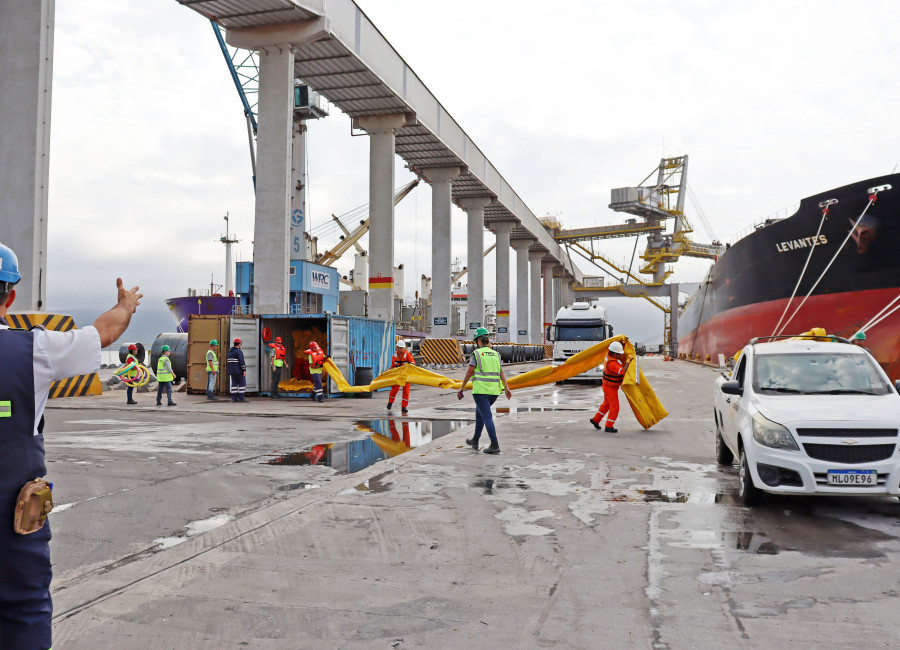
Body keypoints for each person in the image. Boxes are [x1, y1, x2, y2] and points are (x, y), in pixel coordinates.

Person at [0, 241, 140, 649]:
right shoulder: (35, 349)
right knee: (24, 611)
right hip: (13, 526)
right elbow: (105, 332)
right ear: (10, 295)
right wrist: (127, 305)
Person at [457, 327, 512, 454]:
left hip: (481, 392)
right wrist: (507, 388)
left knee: (487, 417)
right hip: (493, 392)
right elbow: (501, 373)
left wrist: (461, 388)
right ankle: (475, 440)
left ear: (478, 341)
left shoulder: (476, 354)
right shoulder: (496, 354)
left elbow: (470, 371)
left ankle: (494, 444)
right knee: (479, 413)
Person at [590, 340, 631, 433]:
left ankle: (595, 420)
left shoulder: (609, 356)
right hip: (610, 387)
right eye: (619, 354)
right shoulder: (612, 364)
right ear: (615, 354)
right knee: (615, 406)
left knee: (606, 404)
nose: (621, 356)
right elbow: (622, 371)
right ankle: (609, 426)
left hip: (607, 385)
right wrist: (628, 362)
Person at [387, 340, 415, 414]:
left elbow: (413, 363)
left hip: (406, 376)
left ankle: (404, 407)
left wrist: (411, 363)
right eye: (400, 348)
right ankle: (390, 402)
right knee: (394, 390)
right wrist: (387, 372)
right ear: (397, 348)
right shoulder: (394, 356)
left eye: (402, 348)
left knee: (406, 391)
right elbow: (393, 366)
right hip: (398, 376)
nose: (401, 349)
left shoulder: (408, 355)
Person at [227, 338, 247, 402]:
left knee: (234, 384)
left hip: (232, 372)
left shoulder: (230, 352)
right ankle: (241, 398)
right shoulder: (238, 351)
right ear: (239, 344)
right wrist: (244, 370)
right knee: (242, 384)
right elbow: (241, 361)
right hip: (238, 371)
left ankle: (234, 398)